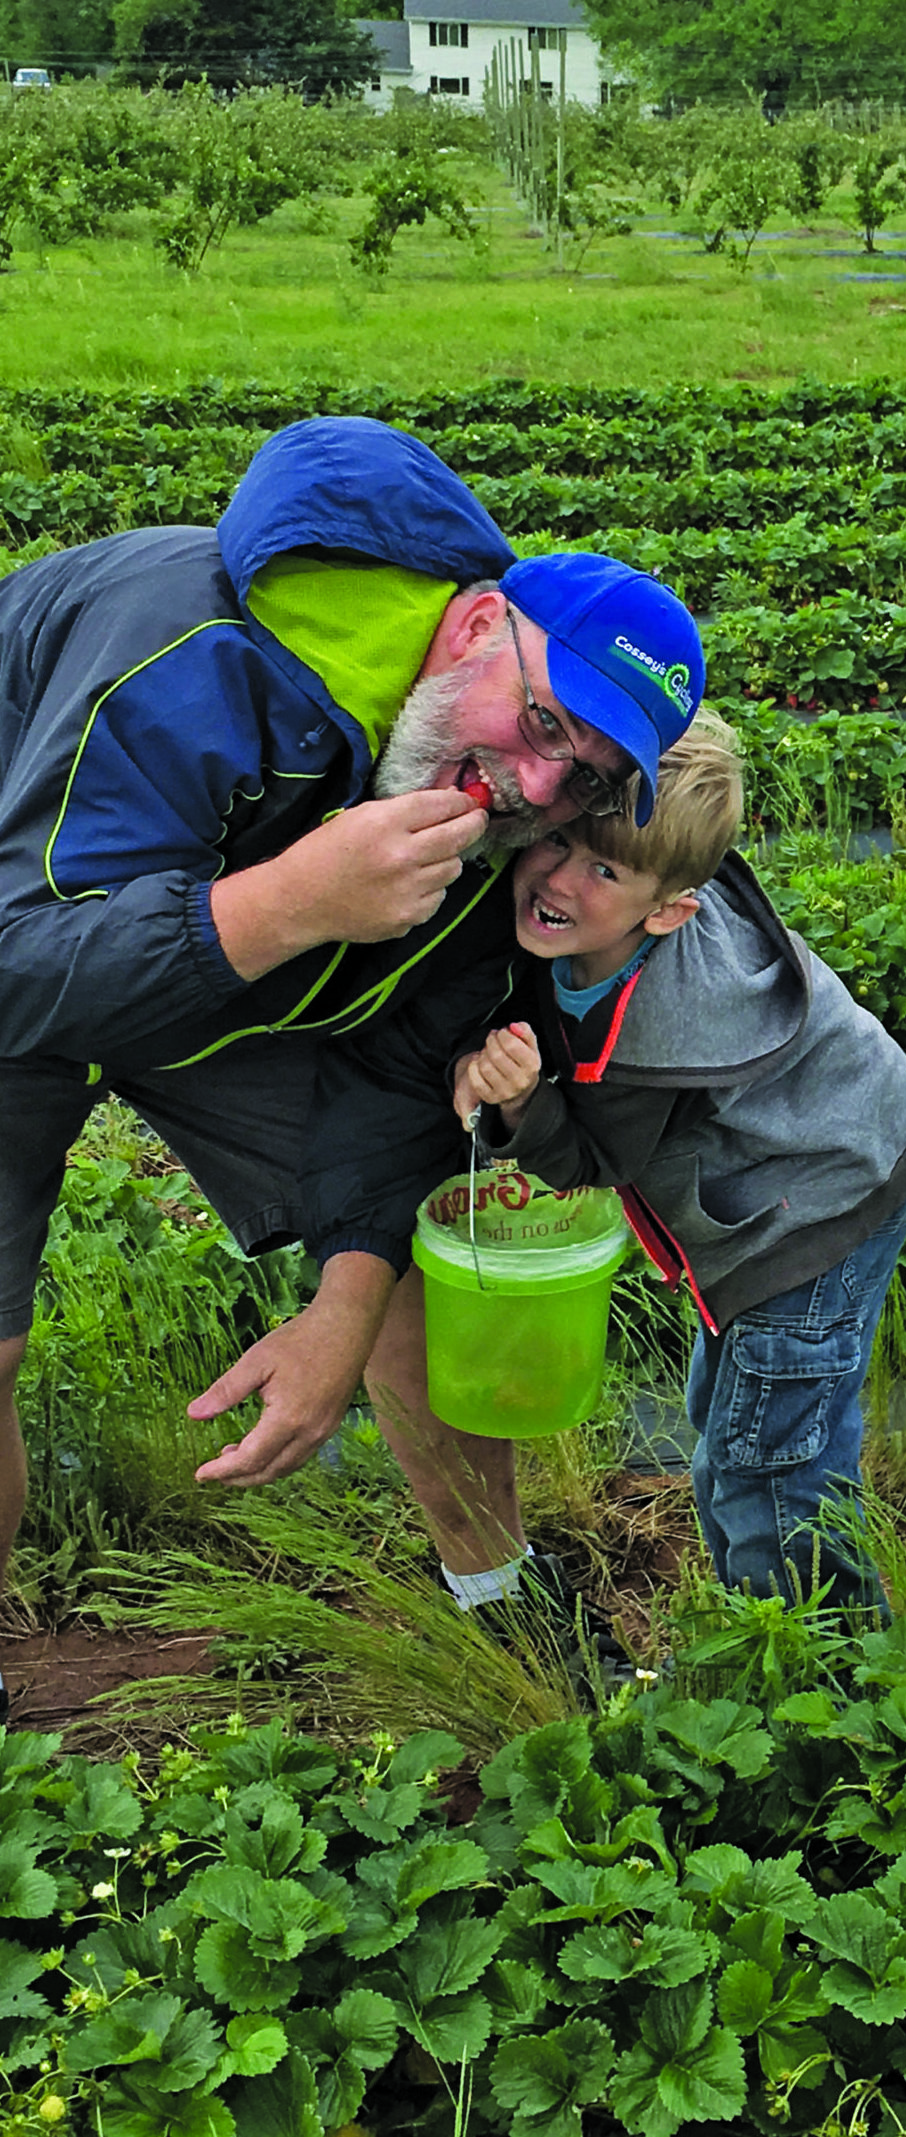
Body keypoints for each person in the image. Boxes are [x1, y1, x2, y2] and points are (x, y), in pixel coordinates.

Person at [0, 414, 704, 1710]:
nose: (529, 782)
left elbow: (397, 1072)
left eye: (582, 777)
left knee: (409, 1252)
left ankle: (502, 1605)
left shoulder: (477, 821)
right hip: (29, 914)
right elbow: (20, 967)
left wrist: (341, 1306)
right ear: (476, 623)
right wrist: (291, 904)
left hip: (216, 942)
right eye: (541, 718)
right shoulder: (192, 655)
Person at [425, 711, 906, 1613]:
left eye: (602, 869)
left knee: (769, 1466)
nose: (561, 878)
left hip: (814, 1204)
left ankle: (834, 1677)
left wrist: (521, 1101)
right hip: (831, 1136)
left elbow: (591, 1157)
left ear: (668, 909)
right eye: (564, 841)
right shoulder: (629, 920)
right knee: (738, 1413)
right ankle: (777, 1623)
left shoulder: (660, 1035)